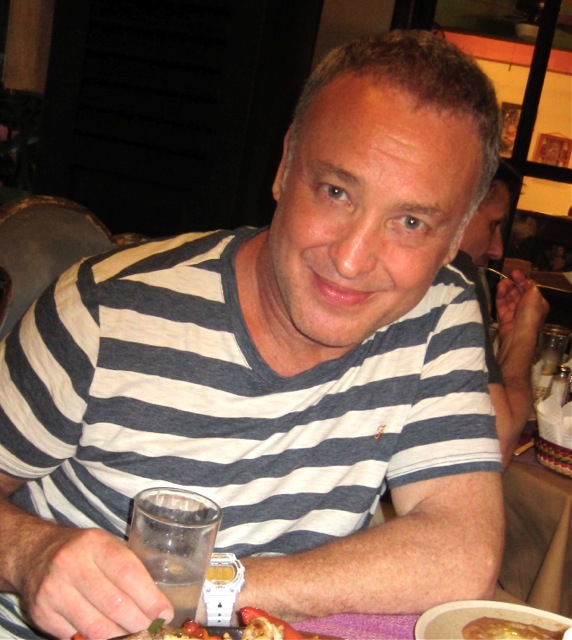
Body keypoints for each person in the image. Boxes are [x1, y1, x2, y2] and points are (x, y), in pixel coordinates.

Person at [0, 31, 505, 640]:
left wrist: (211, 594)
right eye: (336, 191)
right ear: (285, 167)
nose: (351, 259)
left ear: (453, 241)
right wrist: (30, 554)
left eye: (411, 222)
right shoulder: (104, 310)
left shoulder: (437, 311)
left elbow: (461, 547)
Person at [452, 161, 549, 467]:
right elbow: (493, 447)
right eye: (493, 225)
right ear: (458, 209)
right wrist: (523, 334)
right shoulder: (453, 278)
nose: (496, 250)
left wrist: (508, 336)